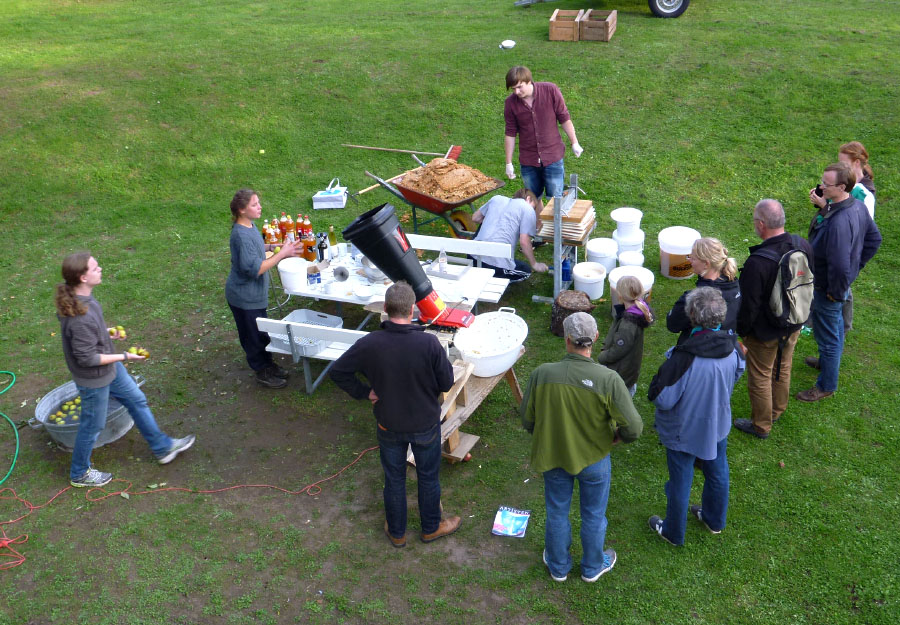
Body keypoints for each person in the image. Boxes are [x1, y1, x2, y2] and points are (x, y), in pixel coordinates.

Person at [329, 282, 459, 548]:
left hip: (389, 423)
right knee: (428, 476)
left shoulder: (370, 343)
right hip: (425, 424)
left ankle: (397, 532)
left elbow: (338, 371)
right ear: (412, 310)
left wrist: (365, 392)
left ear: (386, 309)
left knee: (394, 478)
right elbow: (447, 382)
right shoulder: (429, 343)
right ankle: (431, 528)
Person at [521, 312, 643, 583]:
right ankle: (592, 567)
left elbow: (528, 420)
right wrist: (618, 437)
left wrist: (547, 433)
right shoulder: (609, 379)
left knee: (556, 511)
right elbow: (634, 427)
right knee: (594, 515)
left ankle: (558, 566)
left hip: (554, 457)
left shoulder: (542, 374)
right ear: (596, 338)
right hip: (595, 460)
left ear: (567, 339)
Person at [55, 253, 195, 488]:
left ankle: (162, 447)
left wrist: (106, 333)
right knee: (93, 426)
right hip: (94, 379)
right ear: (82, 277)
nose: (100, 269)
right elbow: (87, 357)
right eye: (95, 268)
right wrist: (125, 356)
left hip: (110, 369)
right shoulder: (80, 317)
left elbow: (88, 335)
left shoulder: (84, 300)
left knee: (136, 400)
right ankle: (79, 473)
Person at [648, 287, 744, 546]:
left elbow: (662, 398)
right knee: (718, 471)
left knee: (680, 481)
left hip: (684, 430)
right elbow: (738, 372)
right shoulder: (733, 347)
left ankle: (673, 532)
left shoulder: (685, 357)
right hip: (718, 424)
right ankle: (714, 520)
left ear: (692, 315)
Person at [799, 163, 881, 402]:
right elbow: (874, 239)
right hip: (835, 284)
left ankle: (826, 385)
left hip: (828, 287)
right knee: (832, 331)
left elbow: (839, 264)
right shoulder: (855, 206)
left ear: (842, 187)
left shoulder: (838, 222)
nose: (821, 186)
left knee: (829, 337)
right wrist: (857, 267)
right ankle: (827, 363)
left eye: (827, 184)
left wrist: (836, 290)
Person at [734, 199, 813, 439]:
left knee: (760, 376)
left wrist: (742, 332)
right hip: (794, 323)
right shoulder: (801, 244)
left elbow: (749, 306)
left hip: (765, 332)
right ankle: (777, 410)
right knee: (783, 366)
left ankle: (761, 425)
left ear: (761, 224)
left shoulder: (758, 262)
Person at [226, 189, 299, 389]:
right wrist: (282, 254)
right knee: (253, 336)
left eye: (258, 202)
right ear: (242, 210)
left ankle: (268, 365)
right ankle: (261, 371)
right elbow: (255, 269)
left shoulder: (250, 226)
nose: (260, 207)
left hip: (255, 296)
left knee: (261, 332)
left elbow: (257, 248)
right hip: (244, 297)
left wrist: (272, 247)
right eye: (254, 204)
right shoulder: (240, 235)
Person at [503, 66, 582, 200]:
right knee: (532, 200)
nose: (516, 92)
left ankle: (553, 215)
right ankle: (539, 215)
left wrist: (574, 142)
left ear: (528, 81)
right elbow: (510, 133)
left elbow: (564, 118)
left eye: (519, 87)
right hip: (528, 160)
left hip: (553, 157)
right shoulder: (510, 103)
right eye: (513, 89)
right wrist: (508, 163)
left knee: (555, 200)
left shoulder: (550, 90)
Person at [666, 237, 740, 345]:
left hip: (698, 349)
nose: (689, 261)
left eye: (693, 258)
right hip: (725, 346)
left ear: (706, 264)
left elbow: (673, 325)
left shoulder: (694, 299)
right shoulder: (734, 285)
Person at [837, 141, 876, 333]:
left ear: (856, 163)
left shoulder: (864, 194)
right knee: (841, 285)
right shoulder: (850, 183)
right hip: (840, 244)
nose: (840, 167)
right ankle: (841, 325)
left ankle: (841, 327)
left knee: (841, 285)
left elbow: (864, 228)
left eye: (844, 163)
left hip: (849, 248)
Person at [471, 188, 549, 282]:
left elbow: (475, 218)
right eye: (533, 207)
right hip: (494, 265)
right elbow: (524, 242)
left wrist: (492, 221)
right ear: (528, 199)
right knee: (526, 271)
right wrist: (534, 264)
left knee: (483, 222)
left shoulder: (496, 198)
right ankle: (494, 280)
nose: (533, 210)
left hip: (473, 257)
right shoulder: (527, 208)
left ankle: (479, 269)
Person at [597, 276, 655, 397]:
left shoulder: (628, 325)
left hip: (621, 372)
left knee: (617, 398)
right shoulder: (638, 310)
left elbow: (618, 350)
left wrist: (603, 357)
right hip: (629, 367)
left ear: (620, 295)